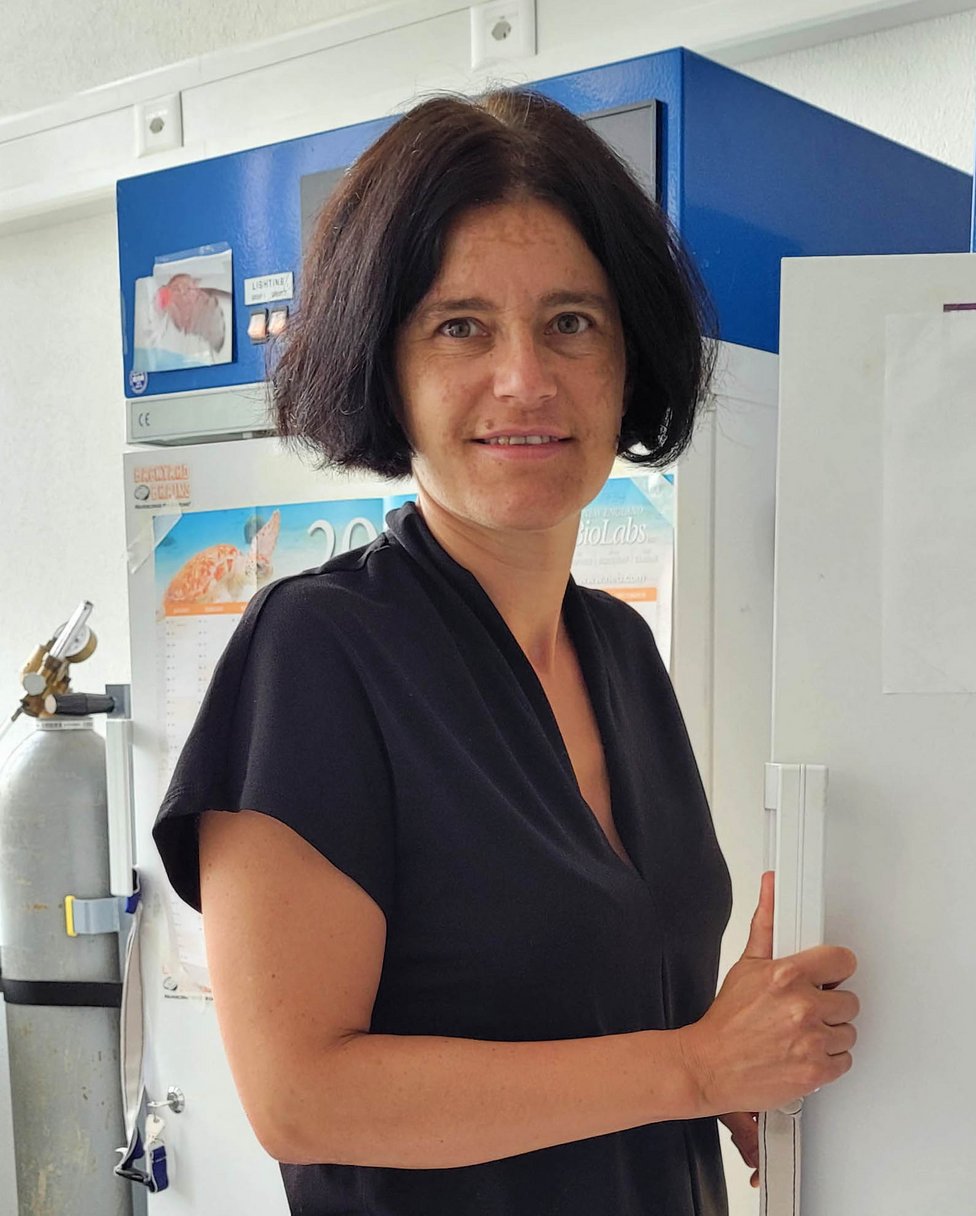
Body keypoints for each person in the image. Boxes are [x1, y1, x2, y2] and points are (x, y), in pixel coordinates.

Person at [152, 89, 859, 1216]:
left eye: (571, 322)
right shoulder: (320, 651)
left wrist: (730, 1056)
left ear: (629, 359)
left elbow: (597, 1025)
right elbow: (303, 1094)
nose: (524, 379)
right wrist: (692, 1064)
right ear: (385, 366)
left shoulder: (619, 649)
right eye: (460, 326)